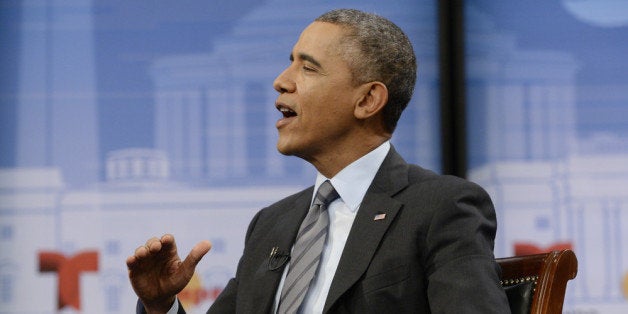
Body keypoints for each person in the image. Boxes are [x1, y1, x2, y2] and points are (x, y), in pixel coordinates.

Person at [127, 8, 511, 313]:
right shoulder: (271, 224)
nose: (281, 80)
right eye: (289, 62)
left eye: (308, 68)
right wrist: (161, 307)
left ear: (366, 101)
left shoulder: (440, 207)